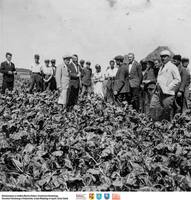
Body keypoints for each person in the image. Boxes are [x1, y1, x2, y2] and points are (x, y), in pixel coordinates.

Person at [149, 50, 181, 121]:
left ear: (169, 57)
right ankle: (155, 123)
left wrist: (168, 87)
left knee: (166, 111)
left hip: (167, 93)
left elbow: (177, 79)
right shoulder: (161, 67)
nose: (163, 58)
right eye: (162, 57)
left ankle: (166, 128)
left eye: (165, 57)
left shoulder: (172, 67)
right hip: (158, 92)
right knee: (153, 107)